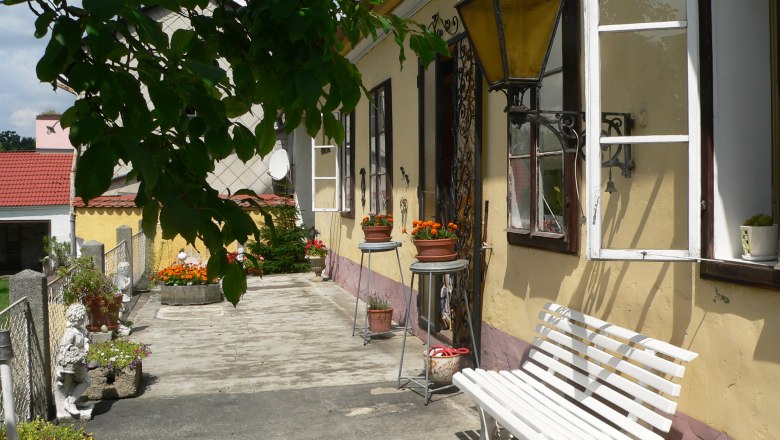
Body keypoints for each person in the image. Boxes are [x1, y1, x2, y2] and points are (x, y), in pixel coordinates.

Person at [54, 303, 93, 419]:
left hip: (79, 362)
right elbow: (63, 346)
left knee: (82, 382)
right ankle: (70, 402)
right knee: (85, 382)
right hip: (72, 362)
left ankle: (72, 400)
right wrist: (75, 349)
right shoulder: (70, 332)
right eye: (83, 317)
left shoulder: (79, 330)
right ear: (78, 317)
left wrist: (86, 343)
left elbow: (84, 338)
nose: (84, 318)